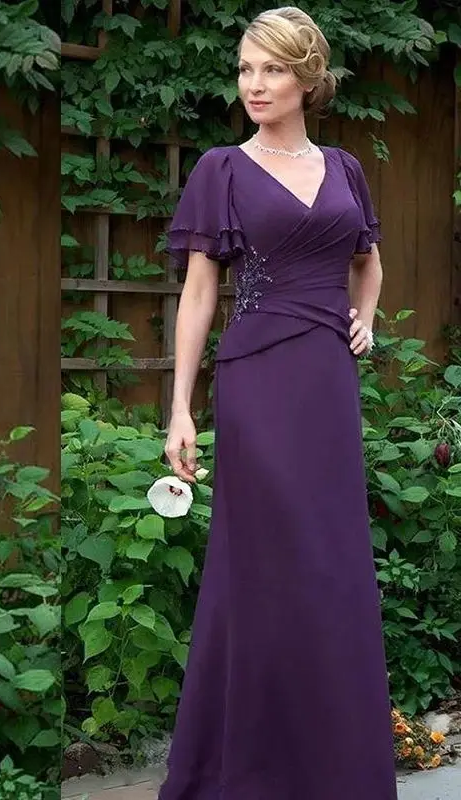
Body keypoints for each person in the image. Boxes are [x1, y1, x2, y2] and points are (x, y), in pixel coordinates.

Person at [159, 7, 396, 799]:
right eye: (245, 69)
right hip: (257, 380)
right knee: (262, 565)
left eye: (272, 69)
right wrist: (181, 408)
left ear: (307, 79)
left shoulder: (345, 169)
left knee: (330, 563)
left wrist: (363, 320)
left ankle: (332, 768)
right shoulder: (221, 169)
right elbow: (199, 295)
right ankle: (247, 770)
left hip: (326, 381)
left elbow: (368, 264)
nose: (254, 85)